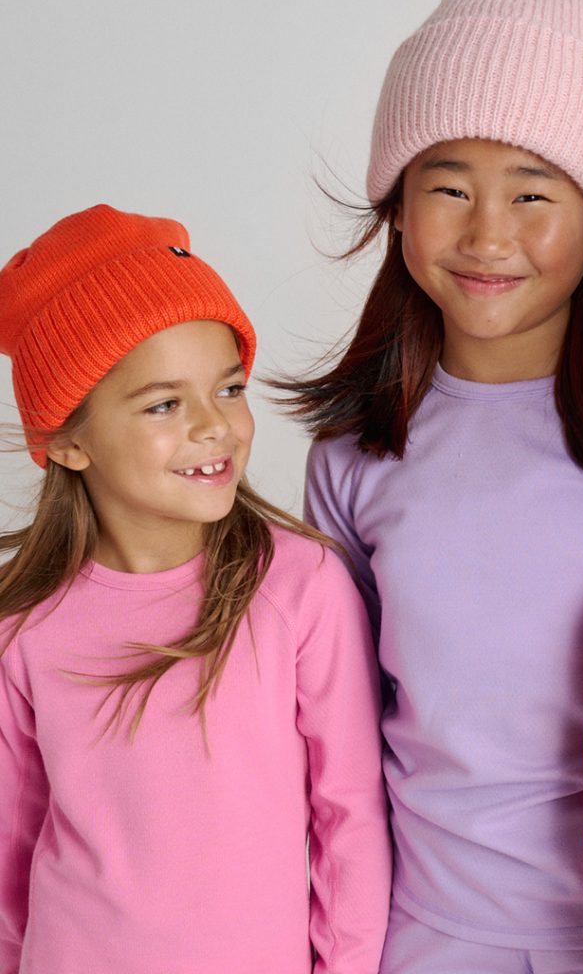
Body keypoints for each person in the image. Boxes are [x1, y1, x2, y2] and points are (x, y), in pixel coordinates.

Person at [280, 0, 583, 972]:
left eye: (533, 192)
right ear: (396, 207)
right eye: (448, 186)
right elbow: (335, 723)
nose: (488, 234)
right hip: (419, 933)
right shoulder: (353, 447)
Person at [0, 205, 390, 974]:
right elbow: (12, 840)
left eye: (230, 388)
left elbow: (349, 817)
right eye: (164, 404)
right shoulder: (24, 624)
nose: (215, 426)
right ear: (68, 441)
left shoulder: (299, 588)